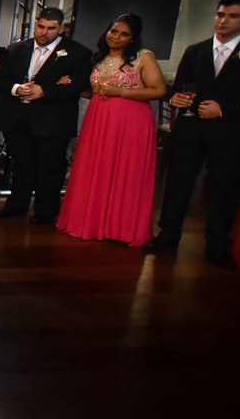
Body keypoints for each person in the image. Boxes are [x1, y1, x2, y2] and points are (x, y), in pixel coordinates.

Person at [144, 0, 240, 270]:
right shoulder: (195, 50)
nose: (223, 21)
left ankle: (216, 244)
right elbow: (178, 87)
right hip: (189, 130)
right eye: (220, 14)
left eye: (233, 16)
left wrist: (224, 110)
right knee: (177, 184)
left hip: (228, 133)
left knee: (223, 190)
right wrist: (175, 98)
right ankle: (168, 235)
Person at [56, 14, 164, 247]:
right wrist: (72, 85)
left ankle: (121, 227)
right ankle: (93, 221)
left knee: (126, 170)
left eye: (124, 34)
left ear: (133, 38)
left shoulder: (144, 57)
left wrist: (120, 92)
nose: (116, 36)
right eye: (114, 31)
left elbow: (158, 90)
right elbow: (95, 91)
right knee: (97, 167)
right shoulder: (99, 59)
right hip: (99, 119)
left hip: (131, 121)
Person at [0, 7, 93, 224]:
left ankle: (45, 213)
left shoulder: (77, 53)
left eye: (50, 28)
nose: (44, 32)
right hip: (18, 117)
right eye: (41, 26)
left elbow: (80, 85)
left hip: (52, 121)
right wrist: (16, 88)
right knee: (21, 166)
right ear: (35, 24)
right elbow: (0, 80)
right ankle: (17, 205)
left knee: (50, 169)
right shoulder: (17, 48)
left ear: (61, 28)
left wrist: (45, 91)